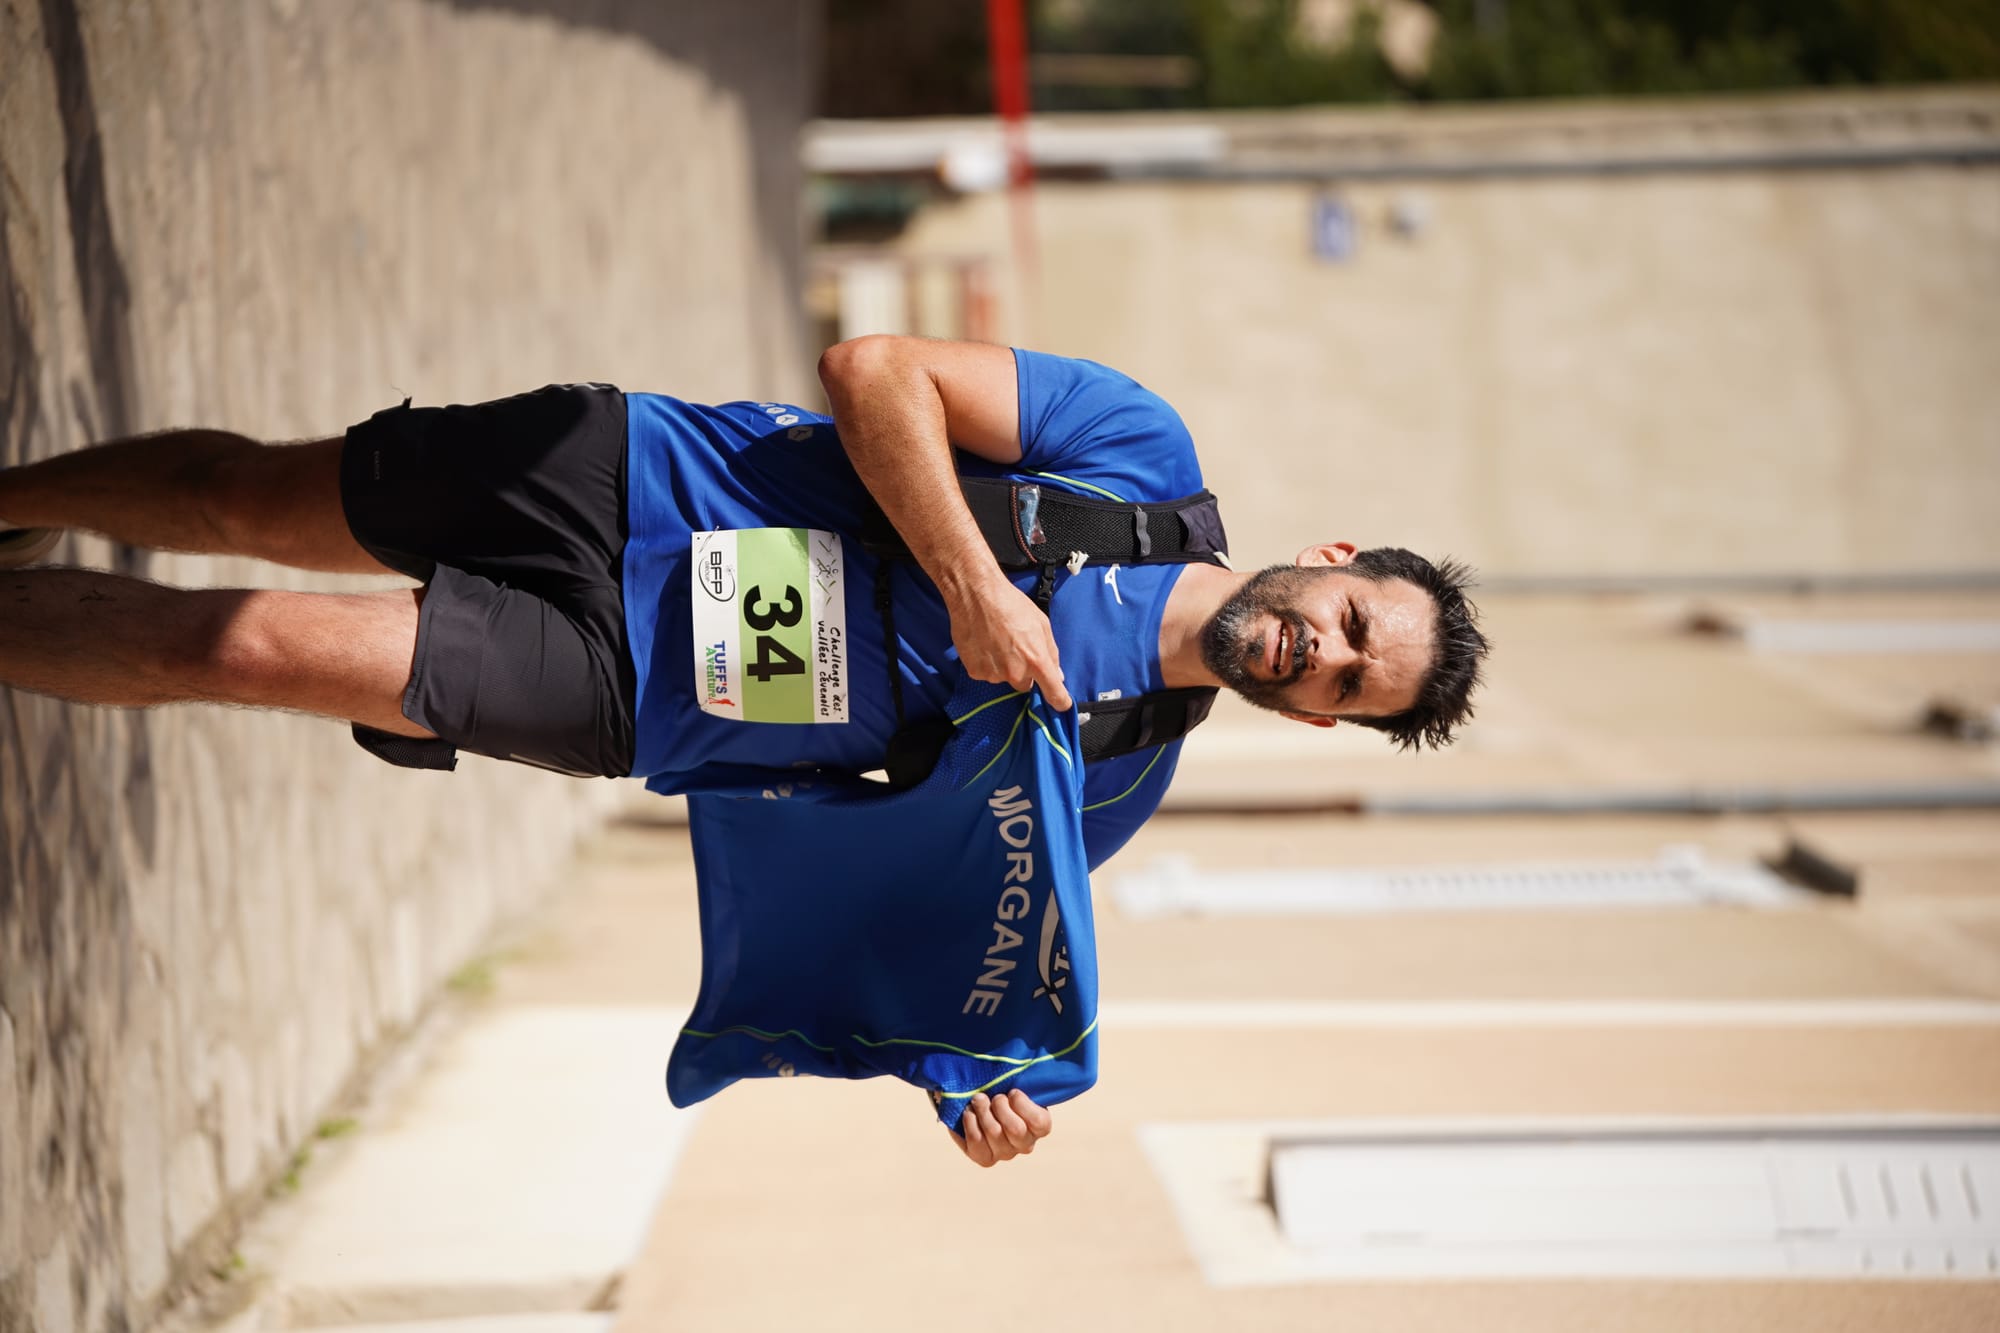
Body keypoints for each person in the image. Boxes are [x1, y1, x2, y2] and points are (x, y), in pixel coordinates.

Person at [0, 335, 1487, 1165]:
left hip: (632, 694)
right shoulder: (1137, 457)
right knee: (250, 496)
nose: (1327, 655)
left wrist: (962, 1081)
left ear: (1317, 719)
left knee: (238, 648)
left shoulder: (1112, 775)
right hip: (632, 478)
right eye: (1351, 620)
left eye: (1351, 686)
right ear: (1329, 555)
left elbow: (931, 920)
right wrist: (975, 583)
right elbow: (876, 370)